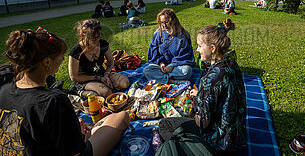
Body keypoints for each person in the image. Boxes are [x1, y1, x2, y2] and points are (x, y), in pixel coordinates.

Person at [1, 27, 130, 156]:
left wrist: (70, 129)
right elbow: (74, 152)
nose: (63, 60)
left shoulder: (4, 90)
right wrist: (78, 135)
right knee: (121, 117)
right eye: (60, 56)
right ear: (47, 62)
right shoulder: (54, 100)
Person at [158, 19, 246, 154]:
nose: (197, 49)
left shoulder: (209, 80)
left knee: (165, 125)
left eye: (199, 45)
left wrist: (196, 103)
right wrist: (201, 94)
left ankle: (193, 149)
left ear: (212, 48)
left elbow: (202, 123)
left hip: (219, 141)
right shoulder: (231, 63)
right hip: (236, 132)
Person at [69, 19, 130, 99]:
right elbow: (74, 77)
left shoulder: (103, 44)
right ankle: (78, 91)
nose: (97, 40)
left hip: (101, 74)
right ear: (82, 35)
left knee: (125, 83)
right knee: (106, 93)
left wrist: (106, 75)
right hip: (84, 80)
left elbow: (111, 62)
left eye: (98, 36)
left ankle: (101, 87)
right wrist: (98, 78)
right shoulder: (76, 51)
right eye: (93, 38)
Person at [143, 8, 194, 84]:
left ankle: (161, 79)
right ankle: (171, 80)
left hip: (177, 66)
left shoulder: (183, 35)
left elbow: (185, 55)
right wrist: (161, 63)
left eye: (166, 22)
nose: (164, 26)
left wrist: (172, 65)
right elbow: (154, 53)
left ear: (174, 20)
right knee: (147, 70)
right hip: (161, 67)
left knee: (187, 71)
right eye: (162, 23)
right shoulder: (158, 34)